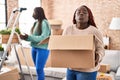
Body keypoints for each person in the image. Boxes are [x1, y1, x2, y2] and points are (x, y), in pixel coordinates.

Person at [62, 5, 105, 80]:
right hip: (71, 68)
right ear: (75, 16)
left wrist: (98, 57)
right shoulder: (68, 29)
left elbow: (101, 49)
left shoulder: (95, 31)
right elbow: (62, 45)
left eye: (84, 12)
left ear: (89, 17)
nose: (81, 13)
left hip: (87, 70)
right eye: (78, 12)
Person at [20, 7, 51, 80]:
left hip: (42, 49)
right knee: (38, 70)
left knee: (39, 69)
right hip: (34, 48)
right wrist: (25, 37)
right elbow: (34, 37)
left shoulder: (44, 22)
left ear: (38, 13)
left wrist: (29, 37)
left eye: (34, 13)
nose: (32, 15)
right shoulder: (36, 23)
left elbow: (44, 37)